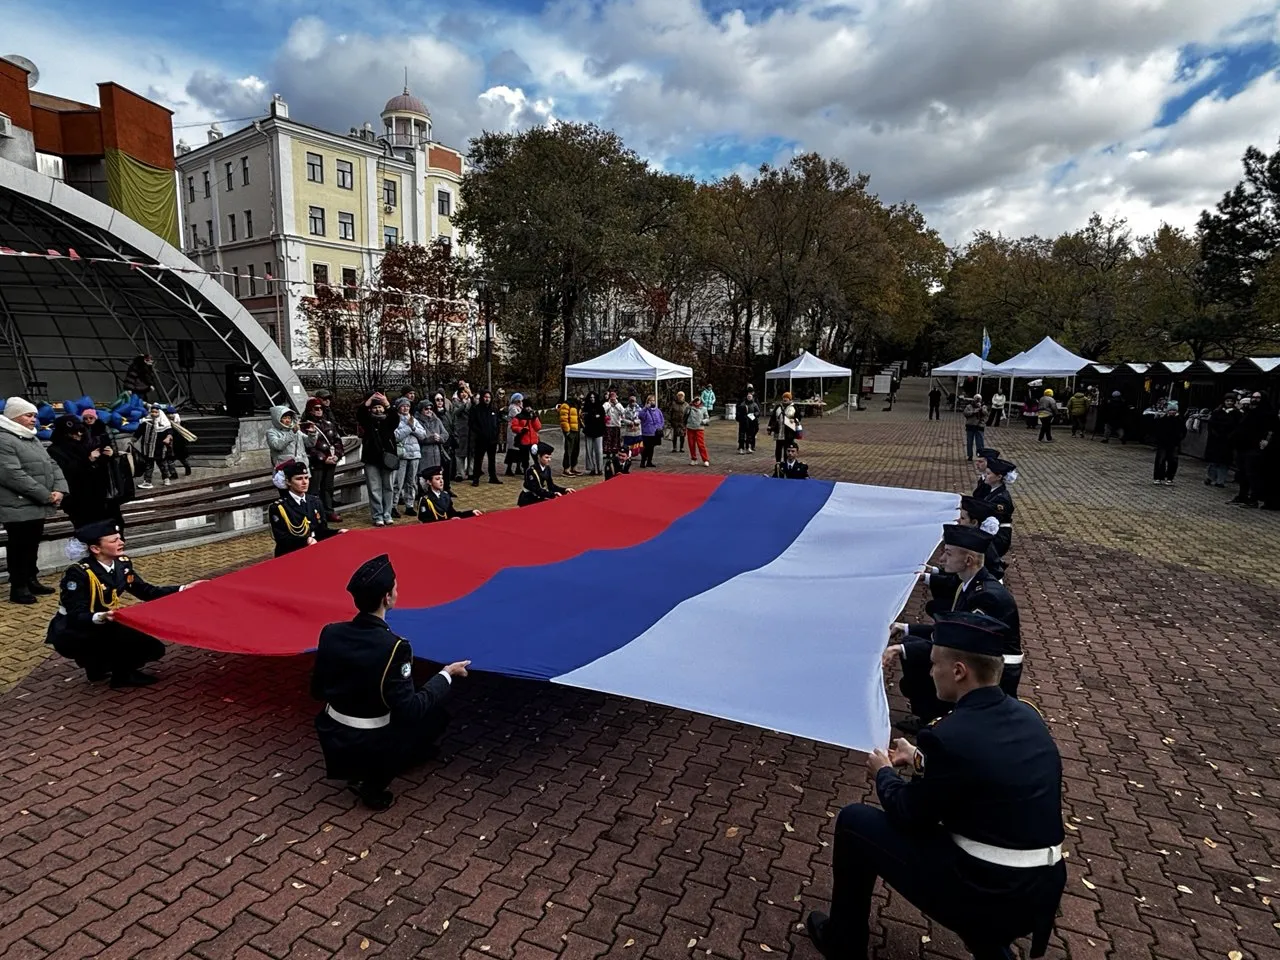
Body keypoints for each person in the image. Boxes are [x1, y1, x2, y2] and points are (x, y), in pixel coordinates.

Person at [809, 610, 1065, 960]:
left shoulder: (950, 735)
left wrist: (883, 772)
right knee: (977, 847)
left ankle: (843, 941)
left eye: (934, 664)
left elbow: (910, 815)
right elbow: (980, 774)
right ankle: (992, 949)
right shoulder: (1027, 717)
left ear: (959, 671)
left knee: (855, 823)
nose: (930, 672)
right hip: (1040, 889)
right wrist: (917, 757)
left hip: (990, 893)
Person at [311, 554, 471, 809]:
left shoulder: (330, 632)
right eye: (395, 586)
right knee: (435, 717)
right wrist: (446, 674)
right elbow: (410, 710)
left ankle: (365, 764)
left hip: (332, 732)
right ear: (387, 597)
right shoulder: (395, 647)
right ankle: (374, 785)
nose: (398, 590)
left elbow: (317, 690)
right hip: (369, 740)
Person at [884, 524, 1023, 730]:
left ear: (968, 560)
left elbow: (960, 642)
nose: (941, 559)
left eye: (948, 554)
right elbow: (953, 630)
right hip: (976, 655)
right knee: (910, 643)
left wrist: (901, 649)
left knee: (918, 655)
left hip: (994, 669)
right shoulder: (971, 583)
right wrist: (905, 628)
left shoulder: (986, 597)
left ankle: (936, 720)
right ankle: (930, 715)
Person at [46, 520, 205, 687]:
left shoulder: (122, 564)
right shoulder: (79, 573)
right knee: (145, 646)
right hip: (73, 630)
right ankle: (121, 675)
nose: (121, 542)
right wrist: (103, 616)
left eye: (120, 538)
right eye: (114, 540)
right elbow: (75, 615)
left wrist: (185, 588)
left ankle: (97, 666)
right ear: (95, 549)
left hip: (103, 622)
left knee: (149, 646)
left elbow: (146, 591)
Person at [1, 397, 68, 603]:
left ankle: (31, 579)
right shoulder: (4, 439)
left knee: (31, 545)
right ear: (14, 416)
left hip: (36, 503)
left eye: (35, 416)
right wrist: (45, 495)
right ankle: (19, 586)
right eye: (29, 415)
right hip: (17, 504)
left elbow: (52, 464)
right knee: (19, 546)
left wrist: (60, 489)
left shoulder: (31, 437)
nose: (34, 420)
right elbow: (12, 475)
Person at [270, 460, 342, 556]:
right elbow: (282, 539)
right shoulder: (279, 507)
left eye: (306, 478)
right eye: (299, 479)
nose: (304, 482)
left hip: (314, 551)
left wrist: (337, 532)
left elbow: (321, 531)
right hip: (291, 555)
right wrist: (305, 541)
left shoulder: (315, 501)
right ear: (288, 482)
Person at [356, 392, 400, 527]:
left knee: (388, 487)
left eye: (380, 407)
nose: (378, 409)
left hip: (388, 458)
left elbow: (395, 419)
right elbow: (360, 414)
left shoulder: (389, 421)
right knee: (374, 488)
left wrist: (387, 403)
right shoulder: (367, 421)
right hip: (371, 458)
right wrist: (368, 401)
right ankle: (377, 515)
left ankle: (387, 514)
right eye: (375, 407)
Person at [302, 397, 344, 522]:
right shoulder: (305, 426)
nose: (319, 411)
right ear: (310, 410)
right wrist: (323, 458)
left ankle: (328, 511)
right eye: (316, 409)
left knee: (328, 488)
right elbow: (308, 447)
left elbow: (337, 441)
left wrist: (337, 455)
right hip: (316, 463)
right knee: (314, 489)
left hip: (331, 461)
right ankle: (314, 513)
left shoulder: (329, 424)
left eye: (321, 409)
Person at [393, 397, 428, 513]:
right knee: (398, 482)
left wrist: (412, 427)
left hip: (414, 454)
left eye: (407, 406)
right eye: (403, 406)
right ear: (398, 408)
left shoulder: (413, 420)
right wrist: (409, 428)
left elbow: (423, 435)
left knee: (412, 482)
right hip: (402, 455)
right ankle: (393, 505)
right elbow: (396, 436)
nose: (406, 408)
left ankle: (409, 505)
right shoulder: (395, 420)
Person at [417, 464, 483, 521]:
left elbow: (453, 514)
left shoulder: (445, 495)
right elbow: (426, 520)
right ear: (429, 482)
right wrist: (448, 520)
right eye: (437, 479)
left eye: (441, 478)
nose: (441, 481)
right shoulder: (425, 499)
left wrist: (471, 512)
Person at [134, 405, 178, 489]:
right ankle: (147, 482)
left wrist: (168, 438)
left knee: (162, 464)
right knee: (149, 465)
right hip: (148, 448)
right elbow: (138, 432)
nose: (154, 414)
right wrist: (134, 439)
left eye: (156, 412)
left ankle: (166, 478)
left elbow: (170, 432)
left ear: (159, 413)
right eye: (152, 412)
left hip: (159, 448)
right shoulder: (146, 422)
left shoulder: (164, 423)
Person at [980, 457, 1017, 557]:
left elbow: (990, 515)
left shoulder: (1001, 498)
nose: (985, 476)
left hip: (998, 536)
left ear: (999, 477)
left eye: (988, 474)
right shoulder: (993, 491)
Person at [1204, 394, 1240, 488]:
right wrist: (1214, 434)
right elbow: (1211, 424)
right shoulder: (1217, 412)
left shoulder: (1237, 414)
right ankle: (1210, 477)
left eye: (1231, 401)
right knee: (1214, 461)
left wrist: (1231, 436)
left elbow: (1237, 427)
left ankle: (1220, 481)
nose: (1229, 403)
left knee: (1224, 462)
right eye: (1227, 401)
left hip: (1228, 441)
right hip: (1216, 440)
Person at [469, 390, 502, 486]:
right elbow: (472, 423)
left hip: (492, 439)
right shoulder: (476, 409)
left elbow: (497, 422)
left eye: (489, 397)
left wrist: (496, 433)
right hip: (480, 439)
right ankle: (476, 478)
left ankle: (493, 477)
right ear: (482, 398)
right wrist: (480, 432)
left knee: (492, 459)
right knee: (478, 459)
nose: (487, 399)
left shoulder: (494, 409)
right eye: (485, 397)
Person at [1151, 401, 1187, 486]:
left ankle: (1170, 478)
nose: (1172, 412)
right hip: (1163, 443)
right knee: (1160, 460)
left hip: (1174, 443)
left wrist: (1179, 439)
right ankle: (1158, 477)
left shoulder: (1179, 421)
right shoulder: (1162, 420)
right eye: (1171, 410)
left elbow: (1183, 431)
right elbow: (1157, 430)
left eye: (1174, 410)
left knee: (1173, 461)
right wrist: (1159, 439)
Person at [510, 399, 541, 475]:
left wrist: (534, 418)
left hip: (533, 440)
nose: (528, 408)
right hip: (524, 441)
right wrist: (521, 429)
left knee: (535, 458)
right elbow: (513, 427)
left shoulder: (533, 416)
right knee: (525, 458)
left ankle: (538, 472)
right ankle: (525, 471)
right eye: (527, 407)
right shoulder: (519, 416)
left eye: (529, 407)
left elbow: (538, 427)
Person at [768, 392, 800, 463]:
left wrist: (794, 420)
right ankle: (778, 463)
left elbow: (798, 418)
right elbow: (773, 417)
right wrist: (769, 427)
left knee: (787, 449)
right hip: (779, 431)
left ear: (790, 399)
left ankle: (786, 464)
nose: (785, 399)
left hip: (789, 433)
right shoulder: (778, 406)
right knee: (778, 449)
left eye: (787, 398)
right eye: (784, 397)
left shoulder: (794, 407)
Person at [581, 391, 606, 476]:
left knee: (599, 451)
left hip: (598, 431)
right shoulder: (586, 407)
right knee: (589, 451)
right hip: (588, 431)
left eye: (593, 397)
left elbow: (602, 418)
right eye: (591, 397)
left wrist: (593, 417)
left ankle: (600, 468)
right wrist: (593, 417)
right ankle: (591, 468)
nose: (592, 399)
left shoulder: (600, 407)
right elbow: (585, 417)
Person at [558, 394, 582, 476]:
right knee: (568, 450)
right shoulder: (566, 405)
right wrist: (567, 431)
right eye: (580, 397)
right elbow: (563, 419)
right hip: (570, 430)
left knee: (576, 449)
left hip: (576, 429)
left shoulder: (577, 405)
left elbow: (578, 417)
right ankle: (566, 469)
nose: (581, 398)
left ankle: (573, 467)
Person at [452, 388, 473, 481]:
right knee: (460, 452)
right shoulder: (456, 403)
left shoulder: (472, 402)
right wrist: (463, 404)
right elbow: (456, 412)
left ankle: (471, 471)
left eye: (465, 392)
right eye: (462, 392)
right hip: (461, 430)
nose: (464, 394)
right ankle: (460, 473)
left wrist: (470, 397)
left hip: (471, 430)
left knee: (471, 452)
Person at [639, 395, 665, 468]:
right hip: (647, 432)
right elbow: (640, 416)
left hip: (655, 432)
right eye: (650, 400)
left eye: (653, 400)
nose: (652, 402)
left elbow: (661, 419)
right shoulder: (645, 410)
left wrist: (660, 427)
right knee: (646, 447)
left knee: (652, 448)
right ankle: (643, 462)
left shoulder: (657, 410)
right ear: (647, 401)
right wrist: (645, 408)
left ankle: (649, 462)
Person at [503, 392, 526, 476]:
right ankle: (509, 468)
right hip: (513, 432)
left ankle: (518, 467)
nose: (521, 402)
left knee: (520, 450)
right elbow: (519, 416)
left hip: (519, 431)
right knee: (513, 450)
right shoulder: (513, 408)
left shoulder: (519, 407)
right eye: (519, 400)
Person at [685, 395, 711, 467]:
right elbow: (685, 414)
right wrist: (689, 406)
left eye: (698, 400)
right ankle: (694, 459)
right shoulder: (689, 408)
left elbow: (707, 418)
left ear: (700, 401)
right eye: (695, 401)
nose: (697, 402)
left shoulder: (704, 408)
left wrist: (704, 421)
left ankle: (705, 459)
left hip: (699, 428)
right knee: (691, 444)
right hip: (690, 428)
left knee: (701, 445)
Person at [962, 395, 987, 461]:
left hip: (979, 426)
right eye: (976, 399)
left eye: (979, 400)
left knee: (980, 442)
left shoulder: (983, 406)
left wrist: (980, 408)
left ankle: (980, 455)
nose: (977, 401)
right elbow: (965, 413)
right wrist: (973, 412)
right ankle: (970, 455)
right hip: (970, 426)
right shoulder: (969, 406)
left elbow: (985, 413)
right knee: (969, 441)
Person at [603, 390, 625, 459]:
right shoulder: (606, 404)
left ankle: (614, 453)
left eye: (614, 398)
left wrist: (616, 405)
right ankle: (608, 453)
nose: (613, 399)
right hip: (608, 425)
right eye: (611, 398)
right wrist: (610, 405)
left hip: (616, 425)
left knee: (615, 440)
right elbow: (603, 410)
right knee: (608, 440)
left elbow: (623, 412)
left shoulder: (619, 405)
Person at [621, 394, 643, 462]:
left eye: (634, 401)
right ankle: (627, 456)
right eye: (631, 401)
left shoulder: (639, 409)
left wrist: (636, 421)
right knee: (628, 444)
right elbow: (622, 419)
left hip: (637, 430)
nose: (632, 402)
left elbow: (642, 418)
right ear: (629, 401)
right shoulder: (625, 410)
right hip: (629, 431)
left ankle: (642, 456)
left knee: (639, 444)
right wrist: (630, 422)